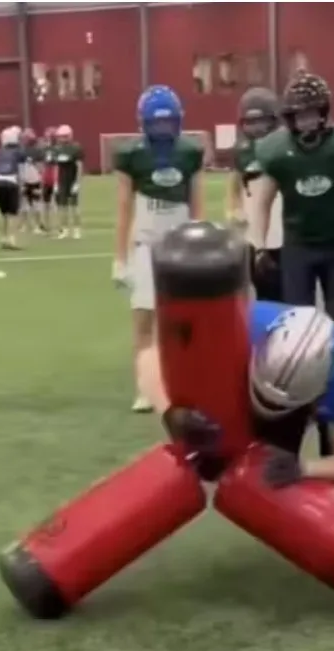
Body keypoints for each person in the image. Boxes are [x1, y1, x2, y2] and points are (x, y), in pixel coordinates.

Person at [139, 295, 334, 512]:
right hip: (251, 376)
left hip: (315, 395)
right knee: (224, 465)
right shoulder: (236, 328)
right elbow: (149, 356)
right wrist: (171, 413)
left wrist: (304, 468)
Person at [113, 85, 205, 413]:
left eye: (168, 122)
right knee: (144, 318)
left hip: (180, 246)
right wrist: (120, 258)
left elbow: (197, 203)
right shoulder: (131, 155)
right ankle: (144, 386)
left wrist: (198, 244)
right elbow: (124, 207)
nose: (163, 129)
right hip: (146, 246)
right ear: (144, 122)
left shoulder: (190, 153)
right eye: (157, 122)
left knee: (181, 319)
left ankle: (180, 382)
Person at [250, 72, 334, 324]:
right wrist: (259, 248)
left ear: (323, 112)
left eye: (311, 114)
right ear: (290, 118)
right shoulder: (277, 152)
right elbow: (262, 205)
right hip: (298, 247)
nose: (306, 122)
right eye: (300, 116)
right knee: (299, 324)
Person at [226, 86, 283, 302]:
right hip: (254, 236)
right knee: (261, 295)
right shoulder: (242, 151)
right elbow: (235, 182)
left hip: (285, 234)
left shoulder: (285, 147)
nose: (257, 128)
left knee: (289, 297)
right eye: (251, 122)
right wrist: (234, 208)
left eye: (262, 122)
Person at [0, 125, 24, 250]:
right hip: (11, 181)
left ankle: (3, 238)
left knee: (4, 213)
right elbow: (21, 170)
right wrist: (22, 184)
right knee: (13, 213)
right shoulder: (18, 152)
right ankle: (12, 239)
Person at [53, 124, 83, 239]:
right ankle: (64, 230)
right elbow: (57, 167)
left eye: (64, 136)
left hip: (72, 180)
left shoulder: (75, 148)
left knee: (74, 206)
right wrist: (56, 182)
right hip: (62, 181)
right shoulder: (57, 149)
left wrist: (77, 182)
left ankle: (77, 229)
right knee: (62, 207)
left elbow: (79, 166)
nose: (61, 139)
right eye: (60, 136)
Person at [18, 128, 44, 235]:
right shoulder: (37, 151)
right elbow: (41, 167)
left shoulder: (22, 151)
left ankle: (27, 225)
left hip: (28, 180)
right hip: (33, 180)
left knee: (27, 203)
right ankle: (35, 226)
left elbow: (40, 167)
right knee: (32, 203)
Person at [40, 127, 58, 234]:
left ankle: (50, 225)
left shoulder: (49, 150)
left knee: (50, 203)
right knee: (49, 203)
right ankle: (49, 225)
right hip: (49, 176)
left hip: (50, 176)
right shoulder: (49, 149)